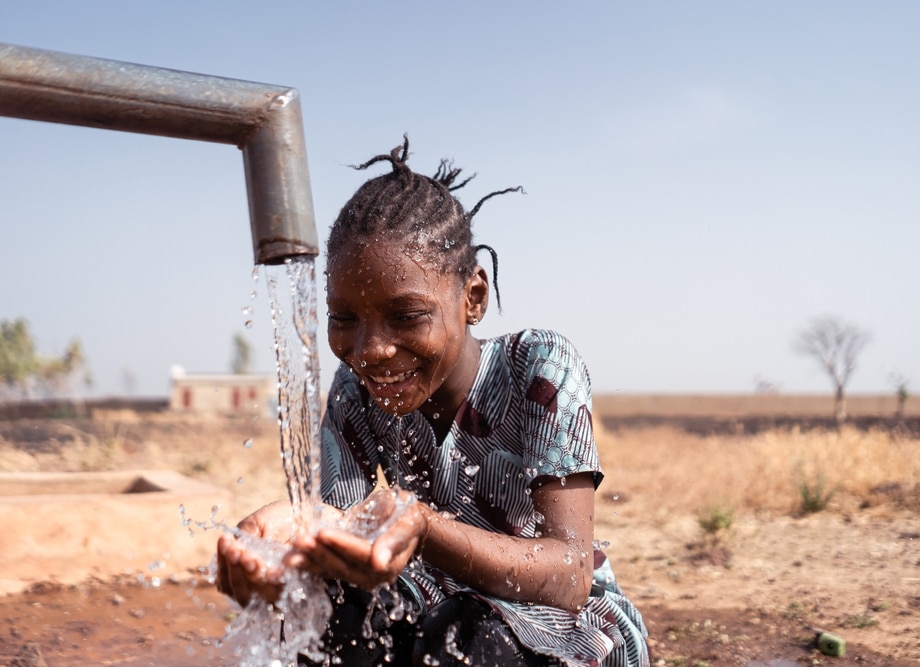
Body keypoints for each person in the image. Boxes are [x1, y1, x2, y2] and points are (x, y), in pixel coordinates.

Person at [217, 137, 650, 667]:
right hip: (434, 610)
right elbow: (344, 528)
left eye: (405, 316)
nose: (370, 350)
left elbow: (569, 574)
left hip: (560, 630)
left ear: (473, 299)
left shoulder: (537, 367)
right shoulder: (354, 392)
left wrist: (422, 527)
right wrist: (288, 552)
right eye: (344, 318)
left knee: (470, 637)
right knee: (317, 612)